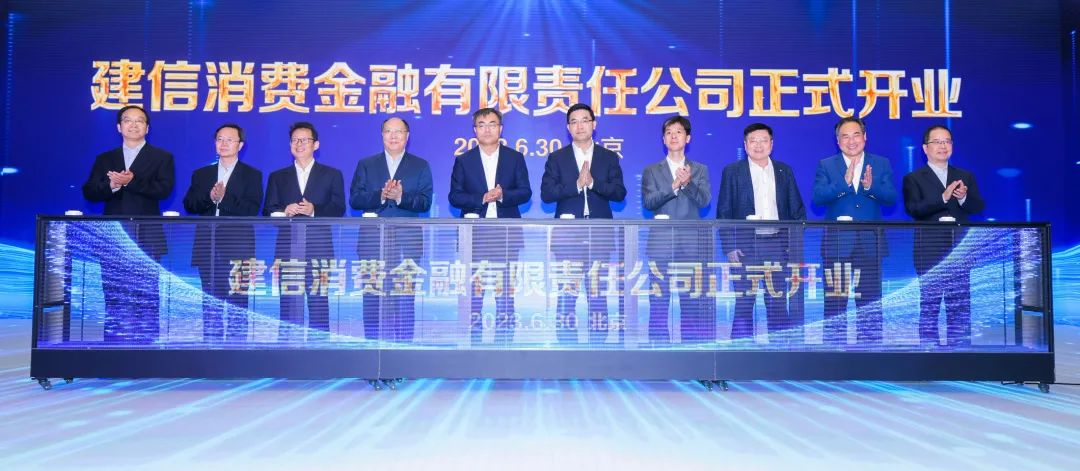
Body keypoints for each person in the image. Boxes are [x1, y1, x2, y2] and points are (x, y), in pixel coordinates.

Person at [82, 105, 175, 344]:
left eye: (139, 121)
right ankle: (114, 347)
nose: (133, 125)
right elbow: (90, 191)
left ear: (147, 128)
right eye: (127, 120)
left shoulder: (162, 157)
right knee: (114, 295)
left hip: (147, 237)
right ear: (118, 127)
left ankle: (147, 348)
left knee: (147, 295)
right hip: (114, 238)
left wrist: (131, 182)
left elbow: (164, 190)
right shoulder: (105, 158)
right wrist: (112, 186)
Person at [540, 103, 627, 345]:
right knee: (567, 295)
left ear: (594, 125)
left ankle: (598, 345)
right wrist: (577, 185)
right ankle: (567, 345)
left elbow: (619, 193)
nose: (580, 126)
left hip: (599, 235)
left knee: (597, 294)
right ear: (568, 128)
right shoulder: (557, 158)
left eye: (585, 120)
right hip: (568, 238)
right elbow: (547, 194)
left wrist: (593, 184)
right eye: (574, 122)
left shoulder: (608, 157)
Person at [448, 108, 532, 347]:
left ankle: (503, 346)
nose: (487, 129)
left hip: (506, 234)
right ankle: (473, 346)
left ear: (500, 129)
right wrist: (482, 198)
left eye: (492, 124)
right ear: (474, 130)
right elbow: (454, 196)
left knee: (504, 295)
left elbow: (525, 192)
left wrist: (503, 195)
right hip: (474, 235)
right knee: (474, 296)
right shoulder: (464, 160)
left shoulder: (515, 158)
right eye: (481, 125)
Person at [717, 123, 806, 343]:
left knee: (777, 300)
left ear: (771, 144)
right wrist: (729, 246)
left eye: (763, 140)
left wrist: (791, 245)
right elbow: (724, 212)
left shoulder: (784, 171)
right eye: (753, 141)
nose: (758, 145)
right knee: (744, 301)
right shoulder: (732, 171)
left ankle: (780, 351)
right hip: (744, 246)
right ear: (745, 145)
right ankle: (741, 351)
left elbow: (797, 211)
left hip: (777, 244)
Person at [811, 117, 897, 346]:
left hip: (870, 245)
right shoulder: (826, 165)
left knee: (870, 302)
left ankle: (869, 351)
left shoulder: (881, 163)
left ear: (865, 137)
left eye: (856, 135)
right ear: (838, 141)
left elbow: (891, 198)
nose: (851, 141)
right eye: (845, 136)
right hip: (837, 245)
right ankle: (833, 352)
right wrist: (843, 183)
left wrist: (870, 187)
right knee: (835, 302)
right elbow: (818, 198)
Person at [350, 117, 433, 344]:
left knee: (404, 298)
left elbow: (425, 202)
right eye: (388, 131)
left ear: (407, 136)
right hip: (372, 241)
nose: (393, 136)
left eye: (399, 131)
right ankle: (372, 349)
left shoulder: (420, 165)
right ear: (382, 135)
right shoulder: (366, 164)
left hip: (407, 243)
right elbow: (355, 199)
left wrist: (400, 197)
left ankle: (402, 351)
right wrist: (380, 195)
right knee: (372, 296)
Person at [902, 125, 984, 347]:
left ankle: (959, 353)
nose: (942, 146)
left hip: (960, 251)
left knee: (960, 306)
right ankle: (930, 355)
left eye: (947, 141)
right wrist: (944, 197)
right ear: (925, 148)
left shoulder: (965, 176)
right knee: (930, 307)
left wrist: (963, 198)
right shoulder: (913, 178)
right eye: (937, 142)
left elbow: (978, 207)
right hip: (929, 252)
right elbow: (914, 209)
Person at [263, 122, 345, 341]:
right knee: (288, 302)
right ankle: (287, 349)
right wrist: (284, 211)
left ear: (315, 144)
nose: (299, 144)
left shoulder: (331, 174)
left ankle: (319, 348)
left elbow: (338, 209)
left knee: (319, 302)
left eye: (304, 140)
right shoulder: (278, 177)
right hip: (288, 248)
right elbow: (268, 211)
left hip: (320, 249)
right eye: (294, 140)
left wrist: (314, 210)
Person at [182, 123, 263, 343]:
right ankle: (211, 348)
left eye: (229, 140)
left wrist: (224, 198)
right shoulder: (202, 174)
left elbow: (251, 209)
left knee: (238, 302)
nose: (223, 144)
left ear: (240, 145)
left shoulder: (252, 175)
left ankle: (237, 351)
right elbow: (189, 205)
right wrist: (210, 198)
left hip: (238, 248)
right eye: (219, 139)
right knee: (210, 303)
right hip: (207, 247)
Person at [641, 116, 711, 345]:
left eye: (678, 132)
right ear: (663, 139)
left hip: (690, 246)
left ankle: (690, 351)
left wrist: (688, 184)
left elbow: (704, 201)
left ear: (687, 138)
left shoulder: (699, 169)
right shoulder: (652, 170)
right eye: (669, 132)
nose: (673, 136)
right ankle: (658, 350)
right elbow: (649, 202)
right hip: (660, 245)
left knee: (691, 301)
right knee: (659, 301)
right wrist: (673, 187)